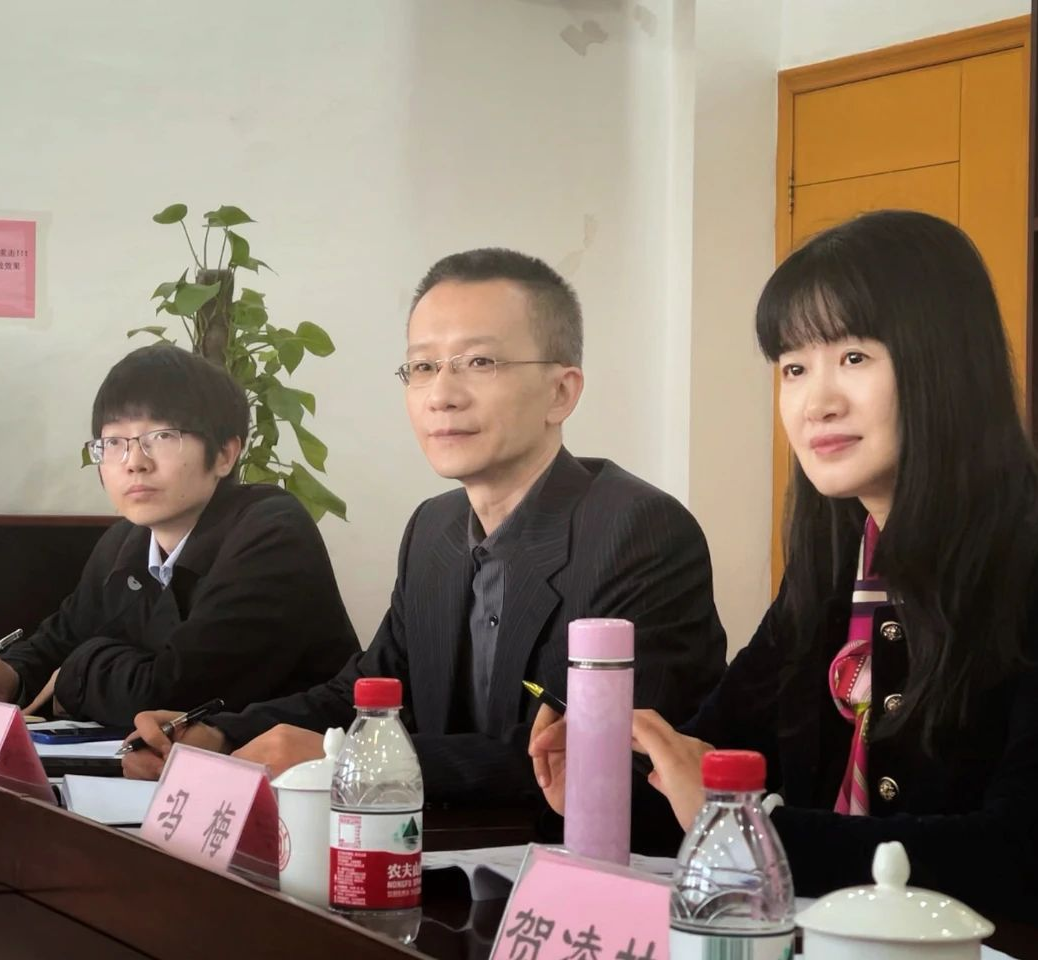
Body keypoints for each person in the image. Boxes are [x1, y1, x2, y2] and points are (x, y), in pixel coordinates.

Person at [530, 211, 1038, 954]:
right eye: (794, 368)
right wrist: (602, 793)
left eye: (854, 357)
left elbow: (1026, 863)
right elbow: (712, 762)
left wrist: (749, 826)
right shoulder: (833, 571)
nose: (816, 402)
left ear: (946, 364)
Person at [124, 248, 727, 805]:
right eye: (422, 366)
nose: (441, 394)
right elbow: (366, 692)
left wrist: (350, 763)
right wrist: (218, 734)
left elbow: (601, 762)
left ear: (560, 393)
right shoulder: (434, 529)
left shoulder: (638, 533)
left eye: (479, 362)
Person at [0, 343, 360, 727]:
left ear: (224, 454)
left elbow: (176, 694)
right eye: (114, 442)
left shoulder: (272, 533)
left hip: (291, 768)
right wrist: (12, 673)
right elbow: (62, 638)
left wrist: (77, 672)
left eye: (162, 437)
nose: (134, 462)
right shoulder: (125, 540)